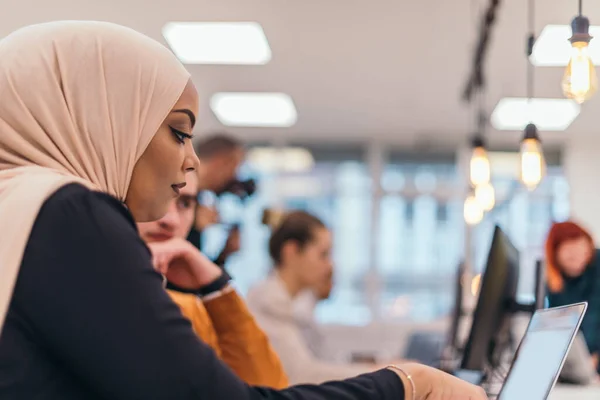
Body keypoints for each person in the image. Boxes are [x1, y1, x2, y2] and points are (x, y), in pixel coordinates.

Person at [0, 20, 487, 400]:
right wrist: (407, 385)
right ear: (102, 119)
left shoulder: (22, 209)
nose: (191, 160)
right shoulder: (69, 213)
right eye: (179, 131)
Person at [137, 171, 288, 388]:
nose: (171, 220)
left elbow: (267, 388)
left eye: (185, 203)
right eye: (153, 196)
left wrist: (216, 286)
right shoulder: (79, 302)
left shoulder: (190, 311)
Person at [247, 211, 410, 384]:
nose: (330, 264)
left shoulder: (290, 302)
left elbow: (318, 361)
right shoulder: (269, 302)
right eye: (323, 254)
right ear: (292, 252)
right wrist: (384, 374)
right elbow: (302, 375)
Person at [545, 221, 600, 374]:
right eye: (570, 252)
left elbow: (594, 316)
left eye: (582, 250)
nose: (578, 257)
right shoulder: (554, 283)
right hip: (579, 366)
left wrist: (594, 358)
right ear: (555, 253)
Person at [186, 134, 245, 265]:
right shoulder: (178, 190)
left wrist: (225, 253)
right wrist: (193, 225)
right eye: (234, 167)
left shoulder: (198, 198)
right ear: (221, 162)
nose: (235, 176)